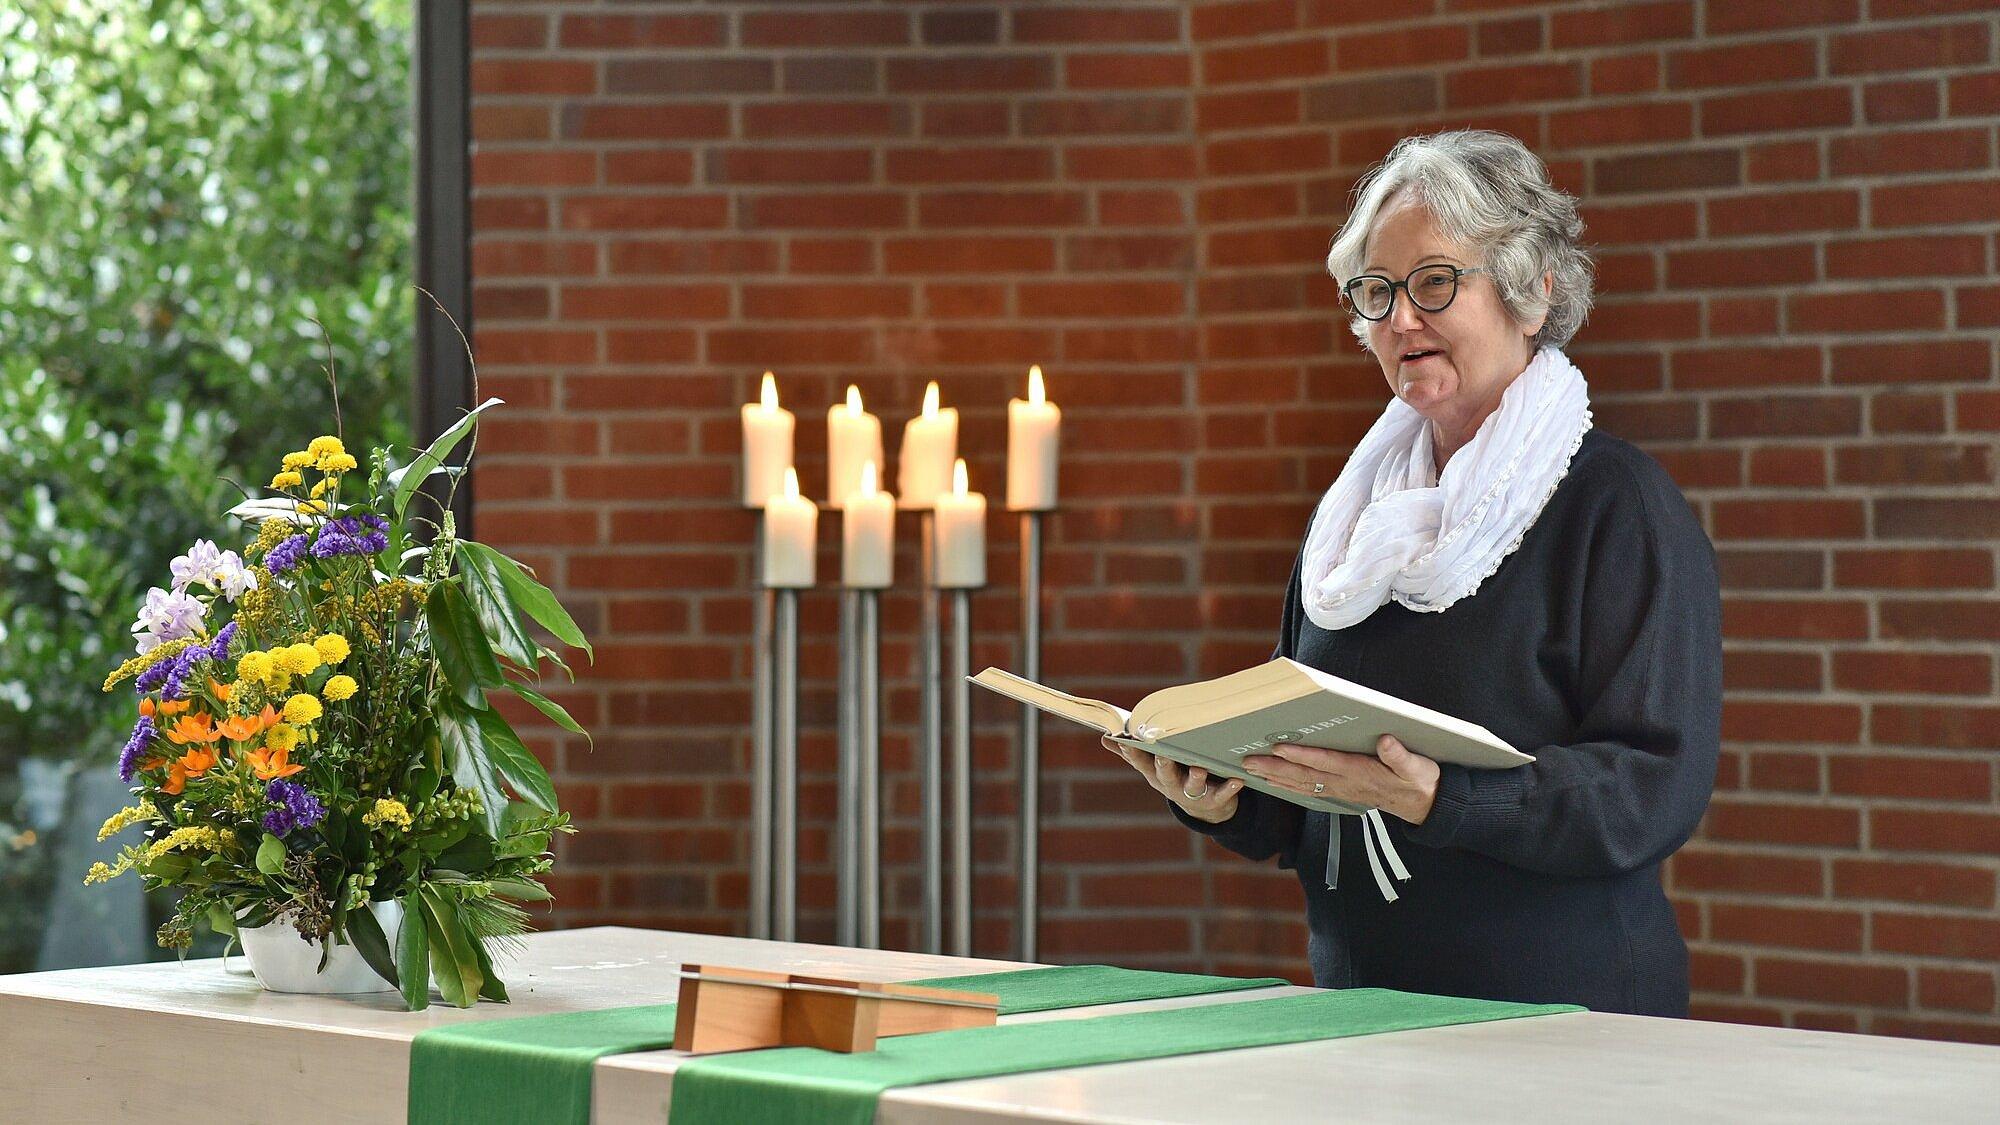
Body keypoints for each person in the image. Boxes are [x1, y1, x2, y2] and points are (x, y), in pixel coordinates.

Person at [1106, 129, 1720, 1017]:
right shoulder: (1353, 523)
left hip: (1561, 1018)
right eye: (1378, 291)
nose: (1399, 319)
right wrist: (1218, 792)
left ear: (1532, 292)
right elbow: (1309, 794)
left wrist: (1445, 797)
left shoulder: (1616, 507)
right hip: (1362, 1013)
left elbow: (1650, 788)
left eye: (1434, 282)